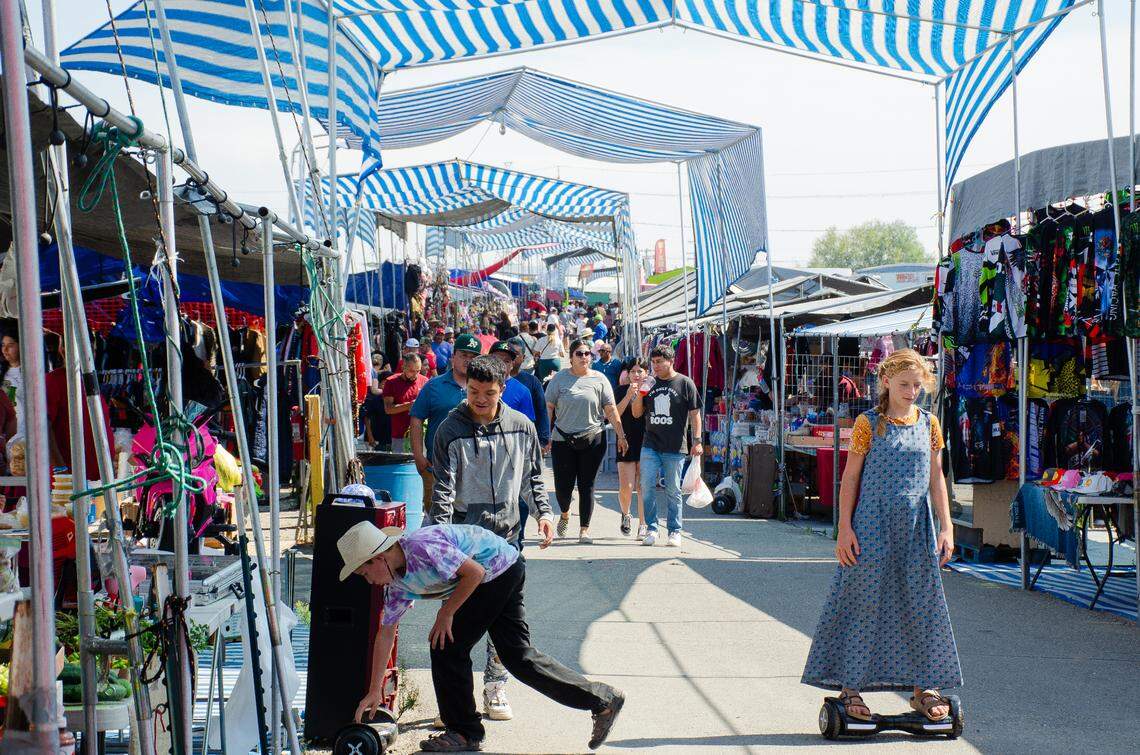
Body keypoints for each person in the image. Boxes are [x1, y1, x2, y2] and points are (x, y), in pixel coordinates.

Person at [343, 520, 625, 752]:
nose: (368, 580)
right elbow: (385, 633)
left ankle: (464, 732)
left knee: (446, 645)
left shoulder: (421, 547)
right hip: (501, 570)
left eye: (365, 572)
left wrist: (447, 613)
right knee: (519, 657)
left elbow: (474, 573)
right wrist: (373, 690)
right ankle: (602, 700)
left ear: (379, 557)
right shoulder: (396, 585)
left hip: (497, 570)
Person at [801, 349, 961, 724]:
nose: (911, 392)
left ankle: (925, 688)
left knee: (921, 606)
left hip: (917, 529)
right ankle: (850, 687)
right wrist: (844, 528)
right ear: (886, 381)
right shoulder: (868, 424)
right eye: (904, 384)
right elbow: (851, 479)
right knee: (863, 602)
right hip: (871, 526)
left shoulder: (930, 423)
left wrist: (947, 526)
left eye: (917, 386)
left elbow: (937, 479)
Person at [427, 355, 557, 723]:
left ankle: (495, 688)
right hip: (465, 546)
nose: (479, 399)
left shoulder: (522, 426)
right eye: (472, 392)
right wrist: (442, 540)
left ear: (503, 390)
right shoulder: (449, 430)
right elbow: (443, 491)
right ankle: (455, 703)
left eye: (488, 392)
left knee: (504, 626)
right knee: (458, 627)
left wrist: (544, 515)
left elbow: (534, 478)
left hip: (509, 542)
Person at [545, 339, 628, 543]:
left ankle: (584, 530)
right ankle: (564, 513)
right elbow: (549, 408)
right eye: (579, 354)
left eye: (587, 354)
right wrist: (545, 436)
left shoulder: (600, 379)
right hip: (562, 439)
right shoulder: (559, 380)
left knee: (587, 485)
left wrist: (621, 435)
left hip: (593, 438)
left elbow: (611, 410)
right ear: (571, 357)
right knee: (563, 487)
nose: (584, 357)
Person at [631, 344, 701, 547]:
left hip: (675, 446)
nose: (655, 366)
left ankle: (674, 530)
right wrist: (640, 394)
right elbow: (636, 413)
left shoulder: (685, 383)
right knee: (647, 487)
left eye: (659, 362)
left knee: (673, 490)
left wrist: (697, 441)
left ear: (671, 361)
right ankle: (651, 528)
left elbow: (695, 415)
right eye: (653, 362)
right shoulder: (650, 383)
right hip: (650, 444)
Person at [410, 334, 481, 512]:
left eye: (473, 357)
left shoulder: (484, 389)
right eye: (463, 355)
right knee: (436, 520)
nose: (468, 361)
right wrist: (418, 455)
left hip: (475, 469)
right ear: (453, 356)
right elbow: (416, 418)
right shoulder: (434, 386)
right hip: (437, 468)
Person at [614, 358, 649, 538]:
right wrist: (628, 395)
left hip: (646, 441)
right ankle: (626, 513)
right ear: (627, 374)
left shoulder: (650, 391)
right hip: (624, 440)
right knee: (626, 487)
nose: (636, 375)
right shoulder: (620, 390)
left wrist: (640, 395)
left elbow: (639, 414)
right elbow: (614, 415)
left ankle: (643, 524)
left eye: (640, 371)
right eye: (633, 371)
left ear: (646, 373)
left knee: (642, 486)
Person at [383, 352, 428, 453]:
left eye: (418, 371)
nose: (416, 375)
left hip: (421, 433)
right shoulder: (391, 382)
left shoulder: (425, 381)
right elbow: (388, 409)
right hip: (400, 435)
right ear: (403, 367)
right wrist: (409, 405)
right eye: (412, 371)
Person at [489, 341, 537, 422]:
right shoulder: (477, 385)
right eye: (497, 359)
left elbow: (527, 424)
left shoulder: (523, 391)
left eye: (506, 361)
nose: (501, 364)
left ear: (512, 364)